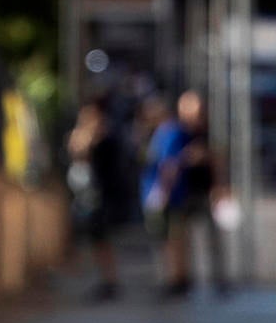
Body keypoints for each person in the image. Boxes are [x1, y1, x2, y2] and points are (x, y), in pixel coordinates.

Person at [68, 80, 146, 299]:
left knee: (101, 239)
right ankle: (106, 279)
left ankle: (109, 280)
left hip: (102, 196)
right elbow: (75, 150)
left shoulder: (107, 136)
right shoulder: (99, 136)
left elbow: (81, 151)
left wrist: (86, 132)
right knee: (95, 239)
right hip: (91, 194)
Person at [146, 90, 222, 297]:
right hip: (181, 193)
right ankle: (178, 279)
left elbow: (215, 159)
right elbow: (168, 164)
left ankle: (214, 279)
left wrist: (218, 186)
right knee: (176, 238)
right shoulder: (175, 132)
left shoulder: (203, 132)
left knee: (207, 238)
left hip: (200, 192)